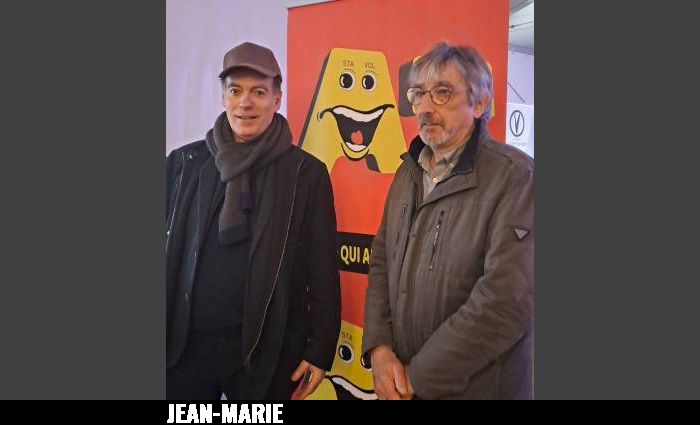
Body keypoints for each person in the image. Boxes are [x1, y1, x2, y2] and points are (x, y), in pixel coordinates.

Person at [166, 42, 341, 400]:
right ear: (223, 97)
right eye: (235, 91)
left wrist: (320, 349)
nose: (245, 103)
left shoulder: (305, 174)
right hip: (185, 354)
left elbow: (323, 269)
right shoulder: (183, 164)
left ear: (277, 99)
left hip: (267, 359)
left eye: (258, 92)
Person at [362, 42, 534, 400]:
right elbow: (380, 262)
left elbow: (506, 301)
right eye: (418, 94)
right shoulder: (407, 172)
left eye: (442, 93)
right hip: (402, 380)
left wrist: (417, 377)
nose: (425, 108)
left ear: (480, 103)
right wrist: (379, 349)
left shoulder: (516, 177)